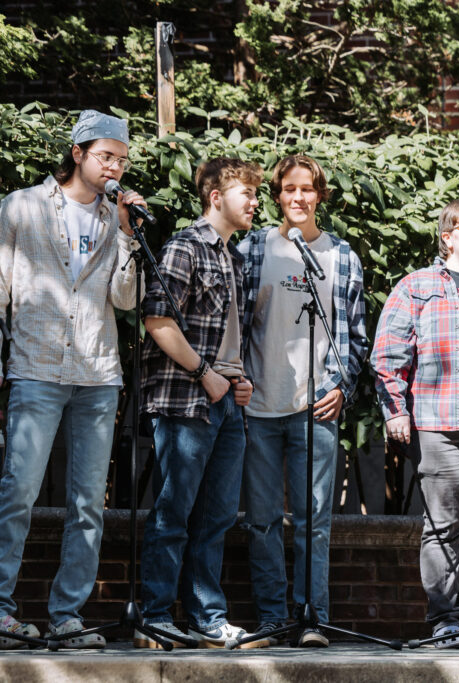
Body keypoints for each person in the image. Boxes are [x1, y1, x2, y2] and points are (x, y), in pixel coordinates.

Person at [0, 110, 148, 649]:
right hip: (35, 368)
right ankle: (0, 610)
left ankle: (66, 615)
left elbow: (126, 301)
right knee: (18, 491)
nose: (115, 167)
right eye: (106, 156)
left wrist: (130, 237)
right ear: (78, 152)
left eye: (123, 160)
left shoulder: (116, 220)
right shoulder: (21, 207)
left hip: (97, 374)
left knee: (89, 501)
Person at [238, 155, 367, 648]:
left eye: (307, 189)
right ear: (277, 195)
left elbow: (355, 335)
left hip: (316, 407)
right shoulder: (253, 248)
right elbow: (235, 323)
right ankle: (273, 618)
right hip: (260, 405)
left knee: (314, 521)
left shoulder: (341, 256)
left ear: (320, 194)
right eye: (289, 189)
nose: (299, 198)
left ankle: (312, 617)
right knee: (263, 521)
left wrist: (340, 386)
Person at [137, 157, 260, 649]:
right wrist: (205, 374)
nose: (255, 202)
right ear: (216, 197)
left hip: (227, 400)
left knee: (216, 517)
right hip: (186, 401)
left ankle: (208, 618)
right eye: (246, 193)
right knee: (174, 512)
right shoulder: (184, 248)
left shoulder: (235, 257)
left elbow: (228, 338)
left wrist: (237, 378)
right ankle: (156, 617)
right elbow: (157, 320)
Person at [372, 197, 459, 649]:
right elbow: (388, 355)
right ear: (447, 236)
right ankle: (446, 620)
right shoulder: (419, 285)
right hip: (441, 420)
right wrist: (395, 412)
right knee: (445, 525)